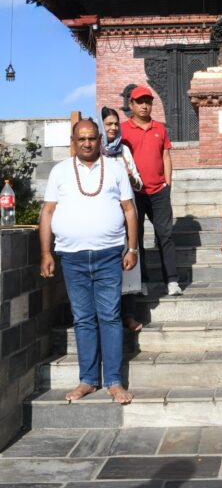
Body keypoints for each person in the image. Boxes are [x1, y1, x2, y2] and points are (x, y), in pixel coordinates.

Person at [39, 118, 138, 404]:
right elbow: (48, 212)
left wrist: (132, 249)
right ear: (73, 141)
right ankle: (88, 380)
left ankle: (114, 381)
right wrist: (45, 253)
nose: (87, 143)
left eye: (92, 138)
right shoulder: (60, 171)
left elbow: (129, 210)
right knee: (83, 319)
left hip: (109, 255)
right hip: (72, 257)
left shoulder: (115, 169)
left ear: (99, 140)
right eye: (81, 138)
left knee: (110, 316)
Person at [121, 86, 181, 296]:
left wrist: (168, 184)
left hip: (158, 192)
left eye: (148, 101)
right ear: (131, 105)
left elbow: (165, 156)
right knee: (135, 237)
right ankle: (141, 281)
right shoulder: (123, 130)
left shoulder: (159, 128)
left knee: (166, 235)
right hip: (134, 194)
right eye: (140, 102)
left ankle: (172, 281)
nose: (144, 106)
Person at [99, 106, 144, 332]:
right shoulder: (95, 151)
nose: (113, 128)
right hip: (104, 218)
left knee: (128, 267)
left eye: (116, 124)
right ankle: (110, 318)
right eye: (109, 124)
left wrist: (130, 177)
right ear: (101, 126)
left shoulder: (124, 150)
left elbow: (139, 183)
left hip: (126, 217)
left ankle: (129, 316)